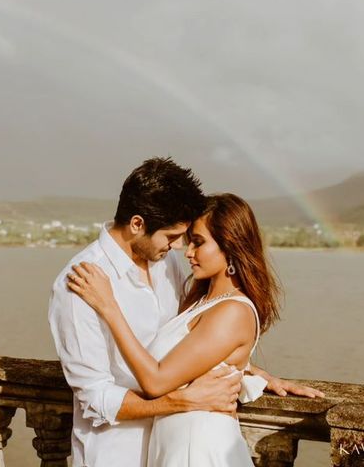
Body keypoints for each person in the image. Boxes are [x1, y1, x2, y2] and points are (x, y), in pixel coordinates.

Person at [49, 157, 324, 467]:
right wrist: (180, 401)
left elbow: (193, 344)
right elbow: (94, 397)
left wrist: (247, 370)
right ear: (137, 224)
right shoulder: (82, 283)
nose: (181, 248)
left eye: (190, 239)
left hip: (178, 449)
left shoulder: (166, 263)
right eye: (172, 236)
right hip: (116, 453)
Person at [68, 193, 281, 465]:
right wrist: (253, 371)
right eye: (189, 240)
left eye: (199, 242)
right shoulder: (202, 302)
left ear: (230, 247)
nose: (188, 251)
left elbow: (156, 381)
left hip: (198, 447)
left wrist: (109, 307)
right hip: (176, 444)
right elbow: (201, 358)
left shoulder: (233, 311)